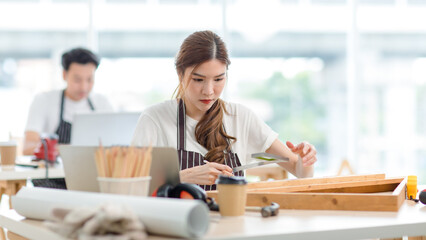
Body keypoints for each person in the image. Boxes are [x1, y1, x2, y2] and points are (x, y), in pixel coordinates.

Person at [131, 30, 317, 191]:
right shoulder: (155, 119)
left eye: (219, 79)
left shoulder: (240, 118)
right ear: (180, 74)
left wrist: (305, 160)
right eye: (198, 80)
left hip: (233, 225)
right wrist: (182, 177)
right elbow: (129, 185)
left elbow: (297, 169)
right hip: (177, 228)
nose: (209, 90)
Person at [23, 47, 114, 155]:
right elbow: (27, 148)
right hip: (56, 171)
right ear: (64, 75)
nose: (84, 87)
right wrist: (67, 151)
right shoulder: (44, 101)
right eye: (77, 80)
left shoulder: (102, 103)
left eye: (89, 79)